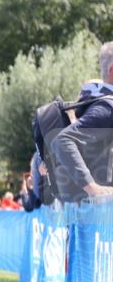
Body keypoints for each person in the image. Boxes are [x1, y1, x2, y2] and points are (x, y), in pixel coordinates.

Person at [53, 42, 113, 200]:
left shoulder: (95, 104)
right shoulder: (108, 108)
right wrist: (92, 188)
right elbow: (62, 140)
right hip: (99, 216)